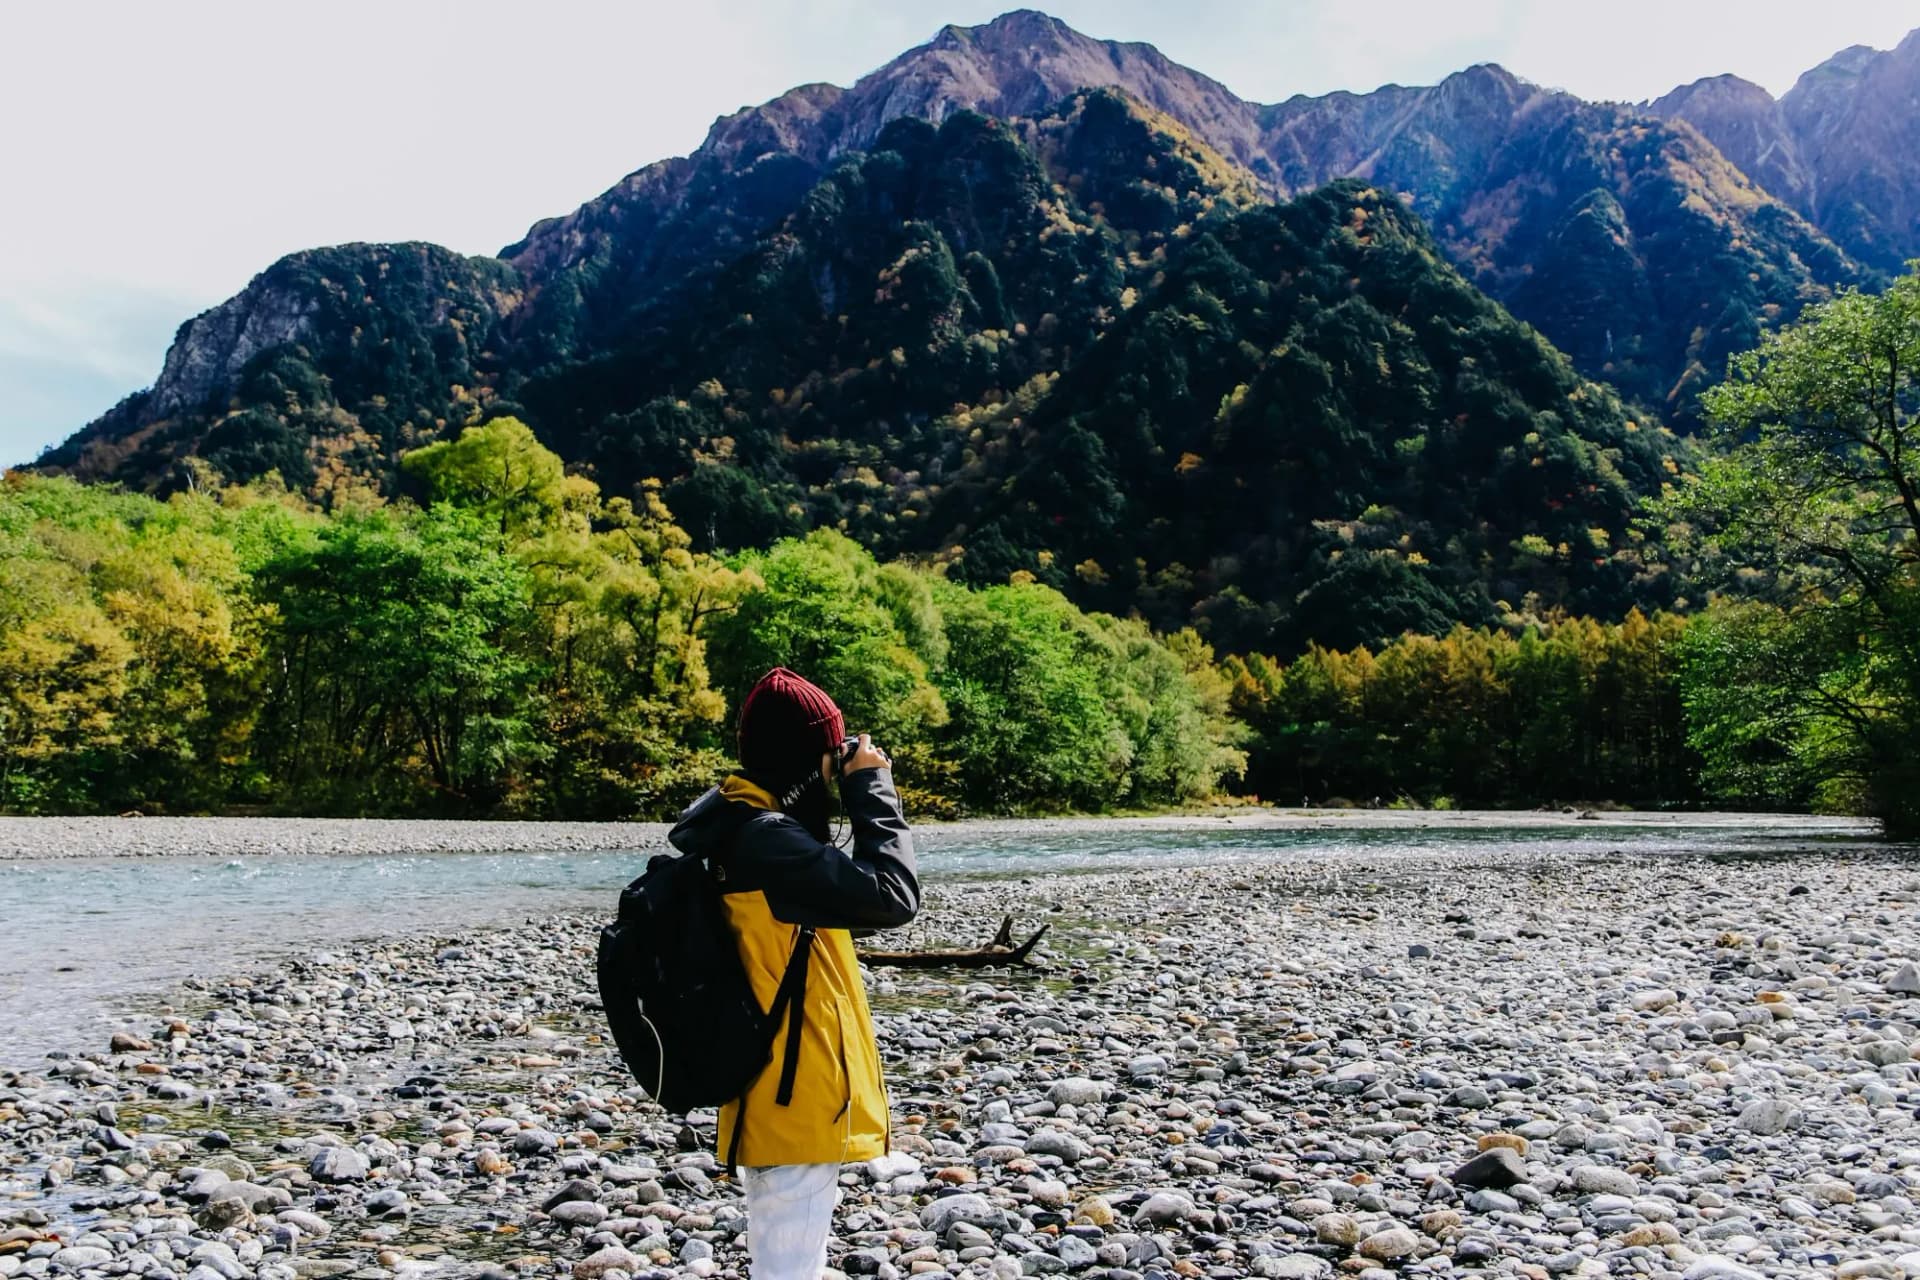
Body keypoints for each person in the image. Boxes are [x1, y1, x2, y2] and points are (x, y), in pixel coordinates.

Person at [667, 666, 918, 1280]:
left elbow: (846, 904)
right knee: (788, 1263)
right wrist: (874, 788)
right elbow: (893, 898)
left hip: (773, 1075)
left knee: (784, 1243)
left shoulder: (741, 824)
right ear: (805, 759)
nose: (838, 765)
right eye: (829, 753)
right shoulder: (765, 839)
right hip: (794, 1084)